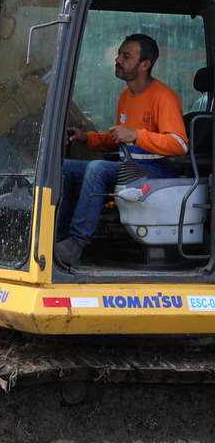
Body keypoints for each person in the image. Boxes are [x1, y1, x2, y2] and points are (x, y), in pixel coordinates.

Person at [56, 34, 188, 268]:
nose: (118, 59)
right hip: (130, 168)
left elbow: (179, 144)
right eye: (119, 54)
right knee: (63, 169)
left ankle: (76, 244)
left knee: (98, 168)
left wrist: (136, 134)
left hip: (158, 172)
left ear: (145, 64)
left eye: (126, 56)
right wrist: (86, 138)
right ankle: (59, 238)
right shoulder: (125, 96)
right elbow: (120, 138)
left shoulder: (163, 97)